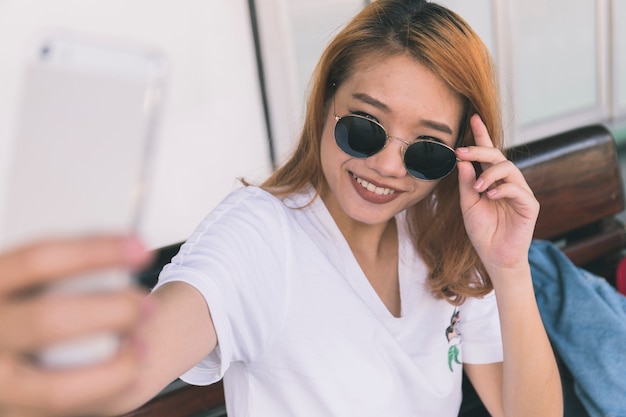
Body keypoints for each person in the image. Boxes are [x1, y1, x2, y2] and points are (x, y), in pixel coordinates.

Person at [1, 0, 563, 416]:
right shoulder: (259, 235)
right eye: (365, 129)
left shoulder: (442, 232)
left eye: (424, 151)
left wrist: (509, 270)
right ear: (325, 106)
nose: (390, 167)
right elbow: (116, 378)